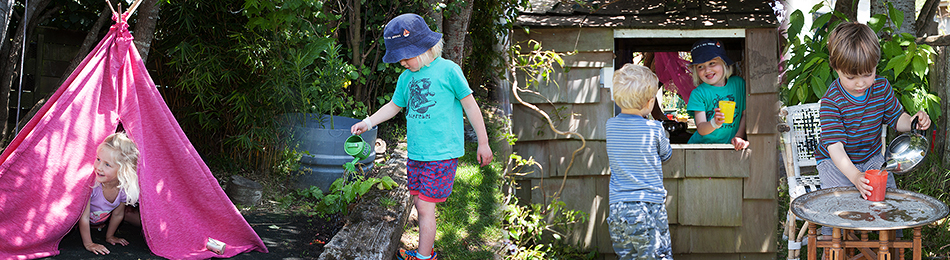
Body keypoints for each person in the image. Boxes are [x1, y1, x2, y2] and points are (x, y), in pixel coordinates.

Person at [350, 13, 492, 260]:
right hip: (416, 153)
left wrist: (483, 142)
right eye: (399, 59)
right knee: (418, 202)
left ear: (426, 47)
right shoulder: (406, 78)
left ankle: (425, 257)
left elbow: (471, 107)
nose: (403, 63)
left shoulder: (449, 71)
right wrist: (368, 122)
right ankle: (424, 252)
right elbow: (394, 106)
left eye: (406, 57)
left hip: (441, 153)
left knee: (425, 208)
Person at [817, 22, 931, 235]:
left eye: (867, 74)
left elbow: (898, 119)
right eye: (851, 77)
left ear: (875, 65)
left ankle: (892, 246)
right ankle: (832, 248)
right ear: (836, 69)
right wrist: (855, 177)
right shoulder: (832, 101)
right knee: (833, 208)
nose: (860, 83)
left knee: (890, 201)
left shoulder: (881, 88)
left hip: (871, 157)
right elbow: (835, 149)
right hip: (835, 163)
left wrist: (914, 121)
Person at [605, 64, 673, 260]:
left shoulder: (611, 126)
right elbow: (666, 155)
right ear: (650, 102)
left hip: (618, 209)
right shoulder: (654, 129)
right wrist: (664, 134)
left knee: (627, 256)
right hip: (647, 207)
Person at [78, 132, 141, 255]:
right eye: (98, 159)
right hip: (81, 223)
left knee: (131, 215)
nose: (99, 167)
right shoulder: (92, 186)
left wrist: (110, 236)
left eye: (107, 164)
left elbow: (118, 215)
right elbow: (83, 217)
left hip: (100, 223)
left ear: (123, 171)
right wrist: (89, 243)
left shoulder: (123, 189)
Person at [685, 39, 749, 150]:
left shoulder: (738, 84)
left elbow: (745, 114)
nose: (707, 70)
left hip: (729, 147)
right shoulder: (698, 94)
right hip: (700, 148)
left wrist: (738, 137)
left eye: (712, 63)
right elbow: (701, 128)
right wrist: (714, 123)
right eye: (700, 66)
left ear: (723, 63)